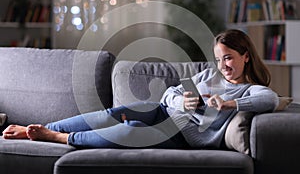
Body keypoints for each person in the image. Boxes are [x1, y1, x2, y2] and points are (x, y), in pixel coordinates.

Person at [2, 29, 279, 149]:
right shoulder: (208, 74)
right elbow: (169, 93)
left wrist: (229, 104)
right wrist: (183, 100)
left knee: (131, 130)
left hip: (181, 136)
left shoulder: (249, 91)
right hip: (164, 112)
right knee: (117, 113)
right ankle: (39, 128)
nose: (223, 65)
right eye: (219, 59)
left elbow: (270, 98)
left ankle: (60, 138)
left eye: (228, 57)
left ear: (246, 56)